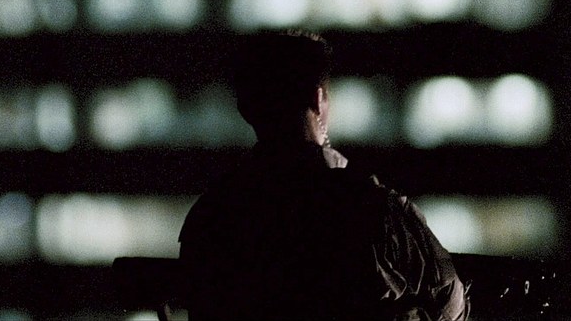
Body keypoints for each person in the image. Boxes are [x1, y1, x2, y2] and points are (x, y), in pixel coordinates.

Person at [178, 31, 469, 321]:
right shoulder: (370, 207)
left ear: (246, 109)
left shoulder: (212, 213)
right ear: (317, 100)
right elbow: (449, 300)